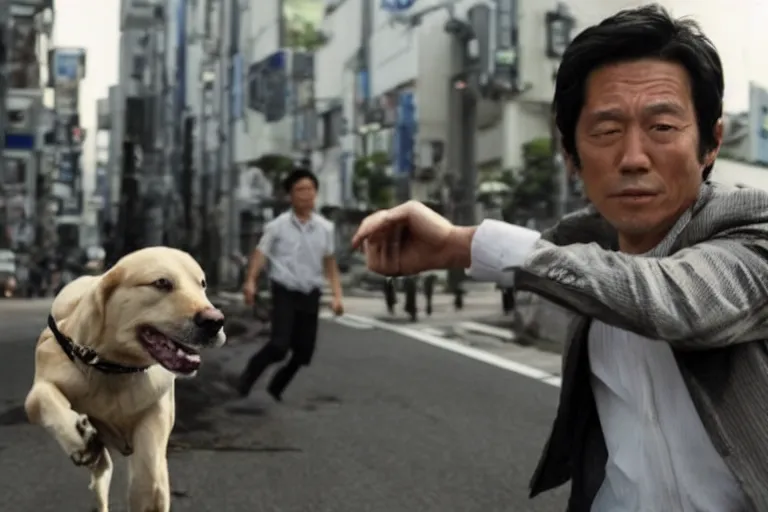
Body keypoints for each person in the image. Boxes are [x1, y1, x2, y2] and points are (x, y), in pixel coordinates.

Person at [352, 5, 768, 511]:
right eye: (607, 131)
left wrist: (464, 243)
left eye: (662, 127)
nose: (633, 157)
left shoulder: (753, 227)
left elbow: (678, 302)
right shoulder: (580, 249)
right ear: (571, 155)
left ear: (711, 143)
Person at [238, 166, 344, 401]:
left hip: (310, 292)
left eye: (310, 189)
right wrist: (250, 282)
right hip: (284, 290)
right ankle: (249, 376)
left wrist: (337, 296)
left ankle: (277, 385)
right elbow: (260, 253)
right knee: (279, 345)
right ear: (290, 195)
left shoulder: (325, 228)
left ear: (316, 193)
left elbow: (330, 263)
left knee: (304, 351)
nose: (306, 194)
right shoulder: (277, 226)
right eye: (300, 190)